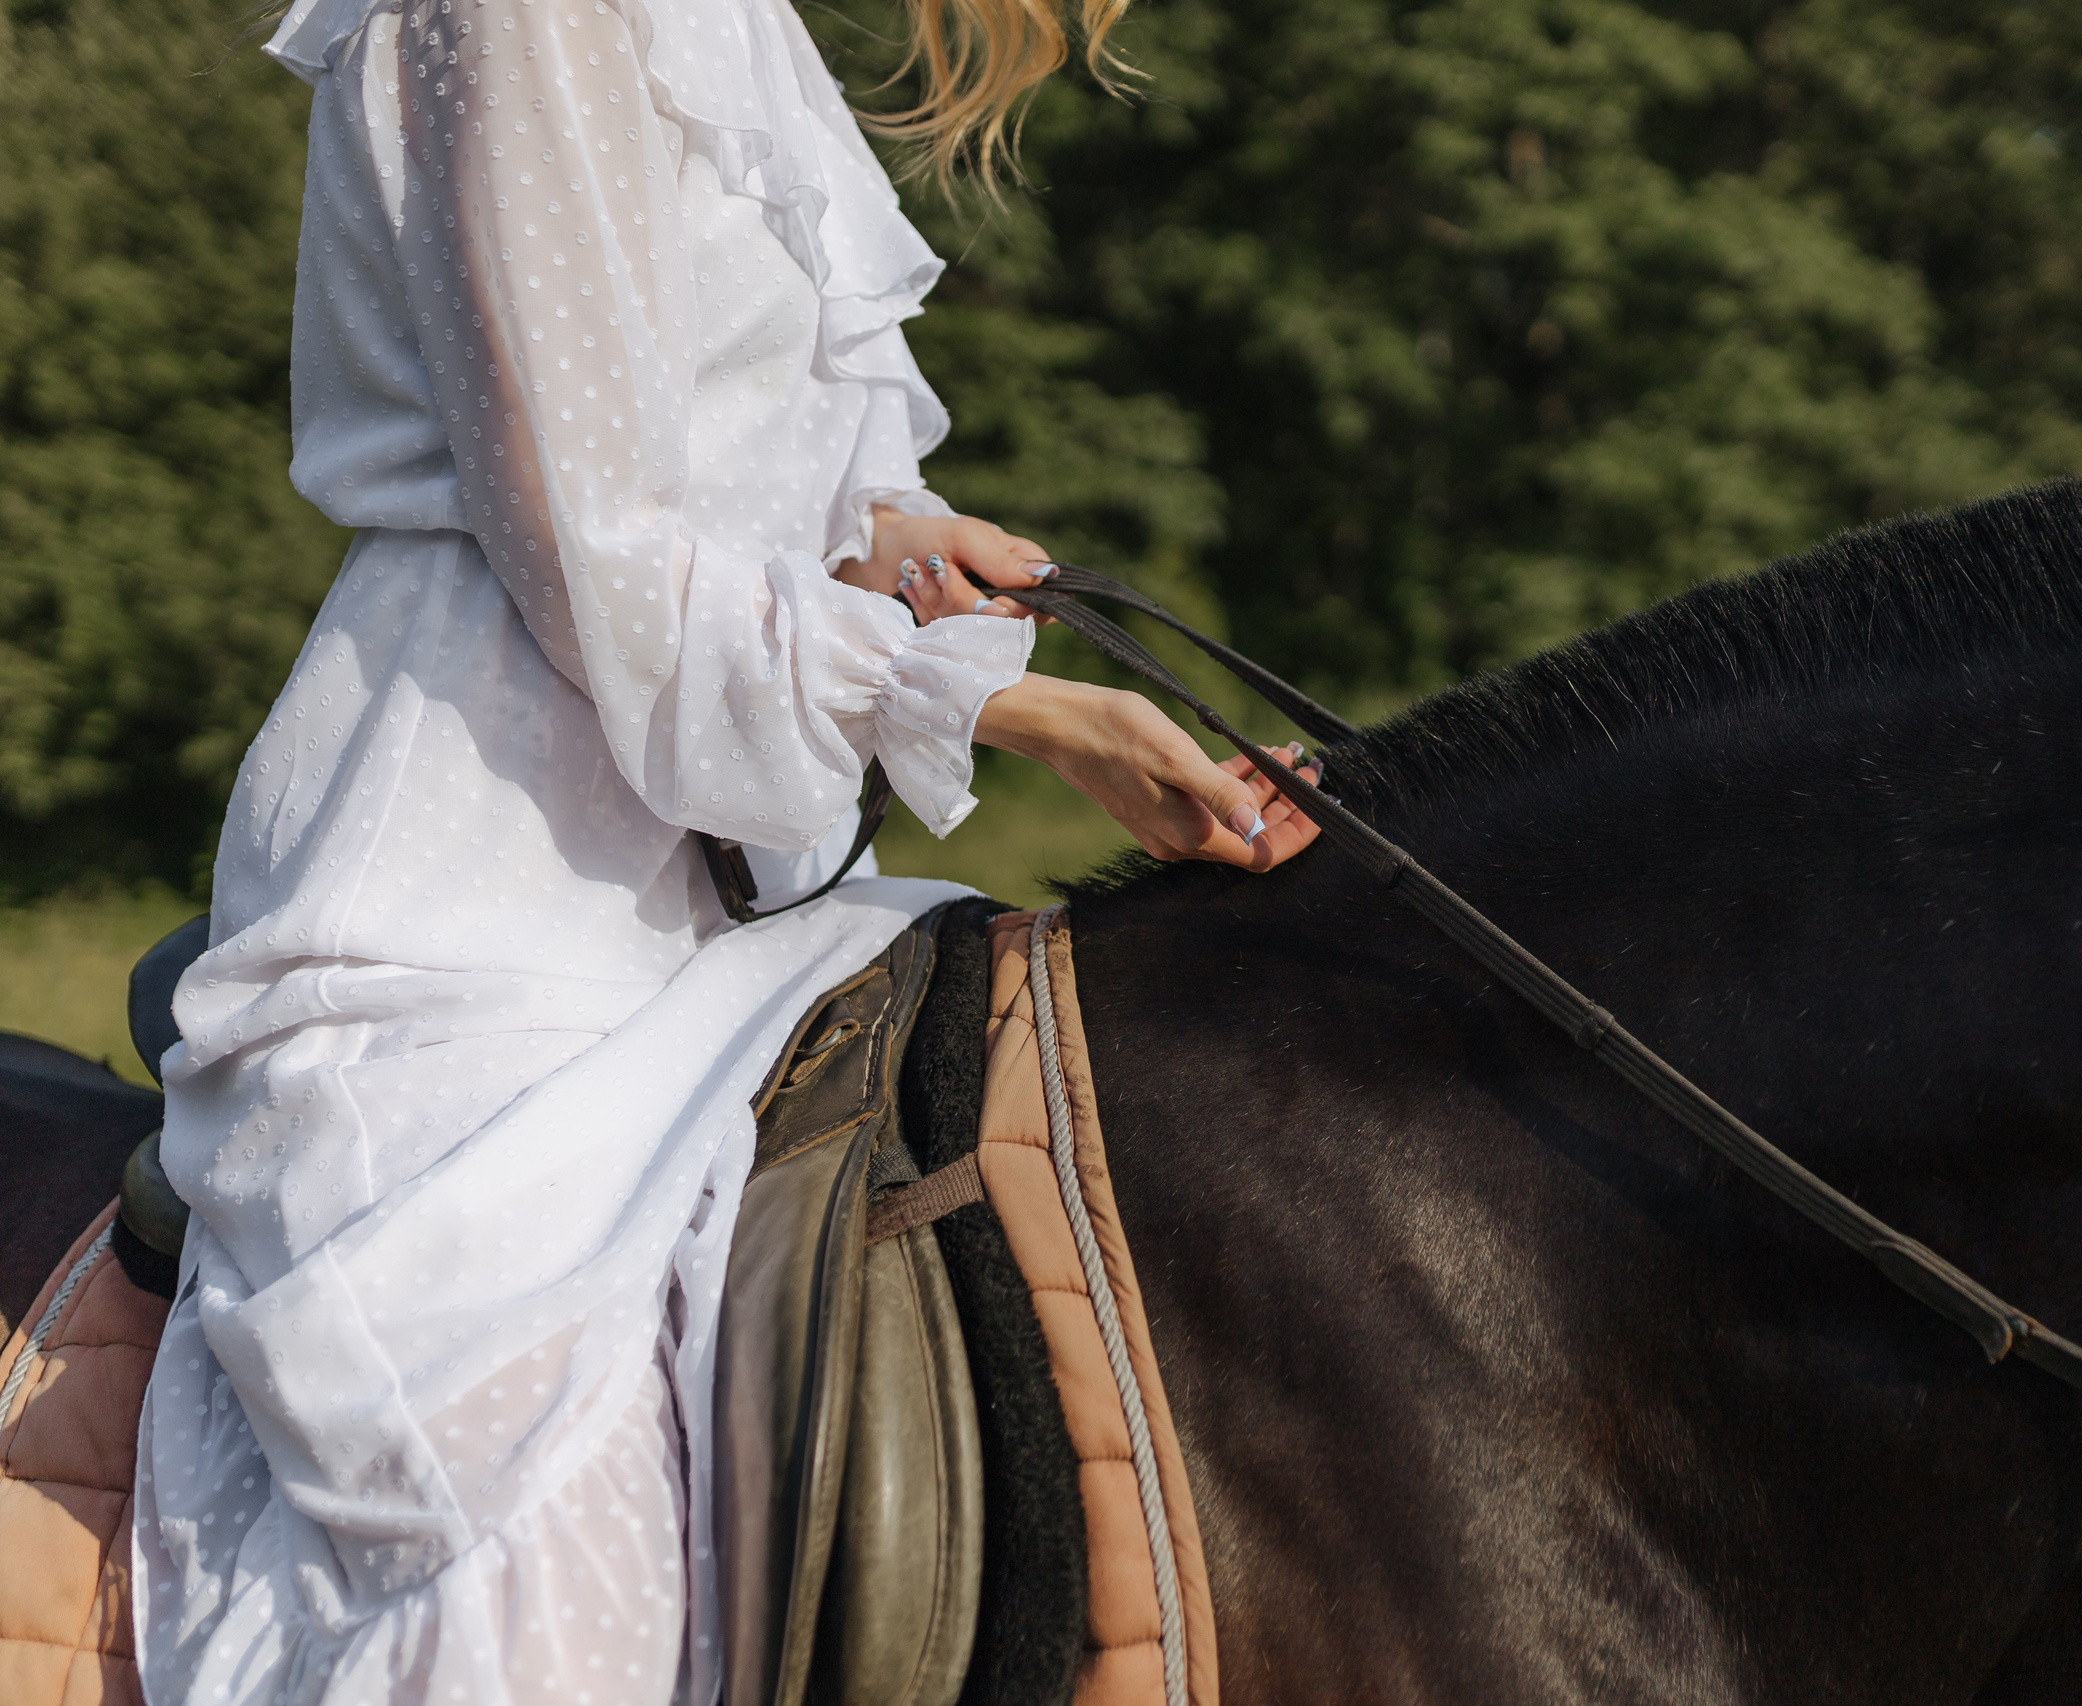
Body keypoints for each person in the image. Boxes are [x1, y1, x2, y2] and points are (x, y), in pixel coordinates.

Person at [130, 0, 1317, 1692]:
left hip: (707, 909)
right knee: (543, 1570)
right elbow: (591, 551)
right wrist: (1016, 710)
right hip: (475, 903)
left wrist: (896, 546)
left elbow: (713, 476)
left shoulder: (730, 23)